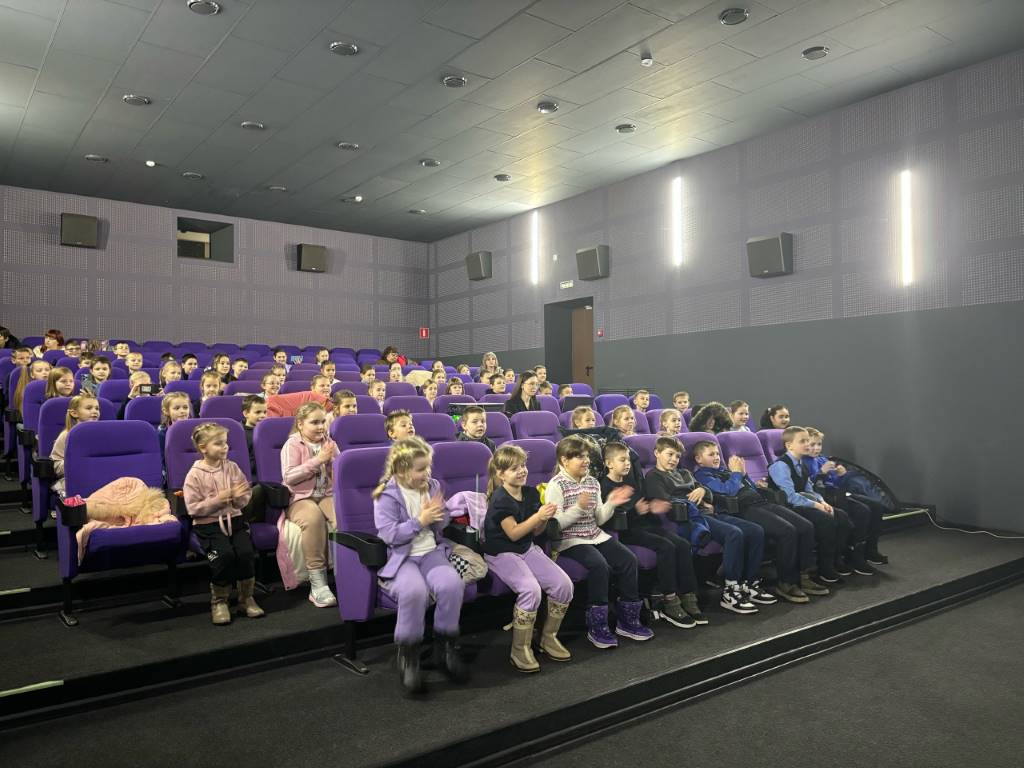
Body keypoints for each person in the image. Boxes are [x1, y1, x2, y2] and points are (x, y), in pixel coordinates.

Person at [373, 436, 466, 692]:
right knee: (414, 591)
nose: (427, 473)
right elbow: (390, 535)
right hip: (402, 557)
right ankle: (409, 654)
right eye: (420, 469)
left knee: (451, 584)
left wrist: (439, 515)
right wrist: (420, 521)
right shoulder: (386, 495)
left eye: (428, 467)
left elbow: (442, 522)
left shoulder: (432, 485)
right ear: (402, 470)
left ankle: (445, 647)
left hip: (431, 552)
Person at [547, 435, 653, 648]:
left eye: (586, 456)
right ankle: (598, 626)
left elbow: (599, 519)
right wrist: (578, 508)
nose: (586, 460)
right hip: (570, 540)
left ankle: (628, 621)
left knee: (628, 560)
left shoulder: (592, 482)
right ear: (564, 460)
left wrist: (611, 503)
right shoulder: (556, 485)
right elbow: (556, 525)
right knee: (599, 565)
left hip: (595, 534)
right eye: (579, 457)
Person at [645, 436, 771, 614]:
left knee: (755, 530)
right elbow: (666, 502)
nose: (674, 459)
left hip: (707, 512)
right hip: (689, 517)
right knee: (734, 533)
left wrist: (702, 490)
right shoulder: (653, 476)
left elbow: (708, 494)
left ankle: (749, 582)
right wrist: (697, 500)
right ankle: (731, 590)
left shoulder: (685, 473)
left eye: (677, 456)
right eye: (670, 454)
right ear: (657, 453)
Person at [692, 440, 824, 604]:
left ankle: (804, 576)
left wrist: (745, 475)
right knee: (787, 531)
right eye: (711, 454)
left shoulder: (727, 471)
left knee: (805, 526)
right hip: (743, 508)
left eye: (717, 453)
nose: (716, 457)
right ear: (699, 459)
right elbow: (729, 491)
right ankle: (786, 582)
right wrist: (737, 473)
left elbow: (751, 488)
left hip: (761, 502)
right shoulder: (702, 475)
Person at [484, 445, 574, 672]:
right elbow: (513, 533)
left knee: (563, 585)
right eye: (514, 468)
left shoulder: (531, 493)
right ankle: (519, 649)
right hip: (501, 552)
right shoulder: (500, 498)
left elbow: (534, 532)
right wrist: (538, 516)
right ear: (501, 474)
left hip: (526, 547)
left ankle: (548, 637)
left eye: (523, 465)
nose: (522, 471)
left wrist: (545, 517)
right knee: (531, 590)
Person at [602, 441, 704, 627]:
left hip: (646, 525)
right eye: (622, 460)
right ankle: (669, 600)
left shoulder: (632, 482)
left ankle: (688, 595)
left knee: (682, 544)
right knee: (666, 547)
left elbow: (645, 504)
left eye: (628, 460)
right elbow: (609, 520)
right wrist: (636, 511)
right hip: (626, 532)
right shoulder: (605, 486)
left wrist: (653, 507)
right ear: (609, 463)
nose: (627, 463)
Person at [183, 422, 262, 624]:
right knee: (222, 556)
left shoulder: (232, 468)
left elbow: (245, 495)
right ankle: (219, 601)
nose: (225, 447)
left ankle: (246, 598)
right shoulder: (194, 474)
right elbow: (193, 509)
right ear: (203, 448)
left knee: (245, 553)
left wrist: (238, 498)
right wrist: (218, 500)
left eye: (225, 443)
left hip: (234, 520)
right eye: (218, 443)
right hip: (207, 526)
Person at [767, 426, 854, 584]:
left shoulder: (802, 464)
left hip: (804, 503)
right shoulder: (780, 466)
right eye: (803, 441)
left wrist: (822, 502)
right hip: (788, 507)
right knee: (826, 521)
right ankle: (824, 568)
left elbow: (809, 489)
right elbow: (790, 497)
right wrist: (817, 506)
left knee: (842, 517)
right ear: (789, 445)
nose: (807, 444)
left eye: (808, 440)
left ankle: (835, 561)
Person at [281, 402, 338, 607]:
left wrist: (333, 463)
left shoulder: (330, 443)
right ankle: (318, 584)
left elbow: (340, 472)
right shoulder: (292, 444)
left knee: (343, 519)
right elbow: (289, 477)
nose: (321, 426)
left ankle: (347, 572)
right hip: (301, 498)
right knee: (313, 520)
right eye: (314, 422)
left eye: (323, 422)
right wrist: (318, 460)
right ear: (300, 424)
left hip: (327, 494)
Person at [805, 428, 886, 568]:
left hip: (838, 493)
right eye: (812, 445)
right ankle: (854, 554)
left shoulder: (822, 459)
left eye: (819, 444)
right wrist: (821, 473)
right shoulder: (803, 462)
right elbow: (808, 485)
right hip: (823, 497)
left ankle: (870, 549)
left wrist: (842, 475)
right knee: (862, 511)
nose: (816, 448)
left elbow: (837, 484)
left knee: (877, 507)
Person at [50, 393, 101, 497]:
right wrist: (77, 464)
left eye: (97, 408)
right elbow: (56, 465)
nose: (95, 411)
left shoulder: (102, 433)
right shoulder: (66, 435)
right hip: (74, 479)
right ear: (74, 413)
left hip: (97, 476)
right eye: (89, 408)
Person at [158, 392, 192, 460]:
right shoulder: (162, 434)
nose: (182, 411)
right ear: (166, 411)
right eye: (177, 408)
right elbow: (162, 459)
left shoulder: (196, 430)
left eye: (185, 407)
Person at [241, 395, 267, 478]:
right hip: (252, 477)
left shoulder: (269, 430)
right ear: (246, 413)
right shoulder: (240, 433)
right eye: (258, 412)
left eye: (265, 412)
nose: (263, 415)